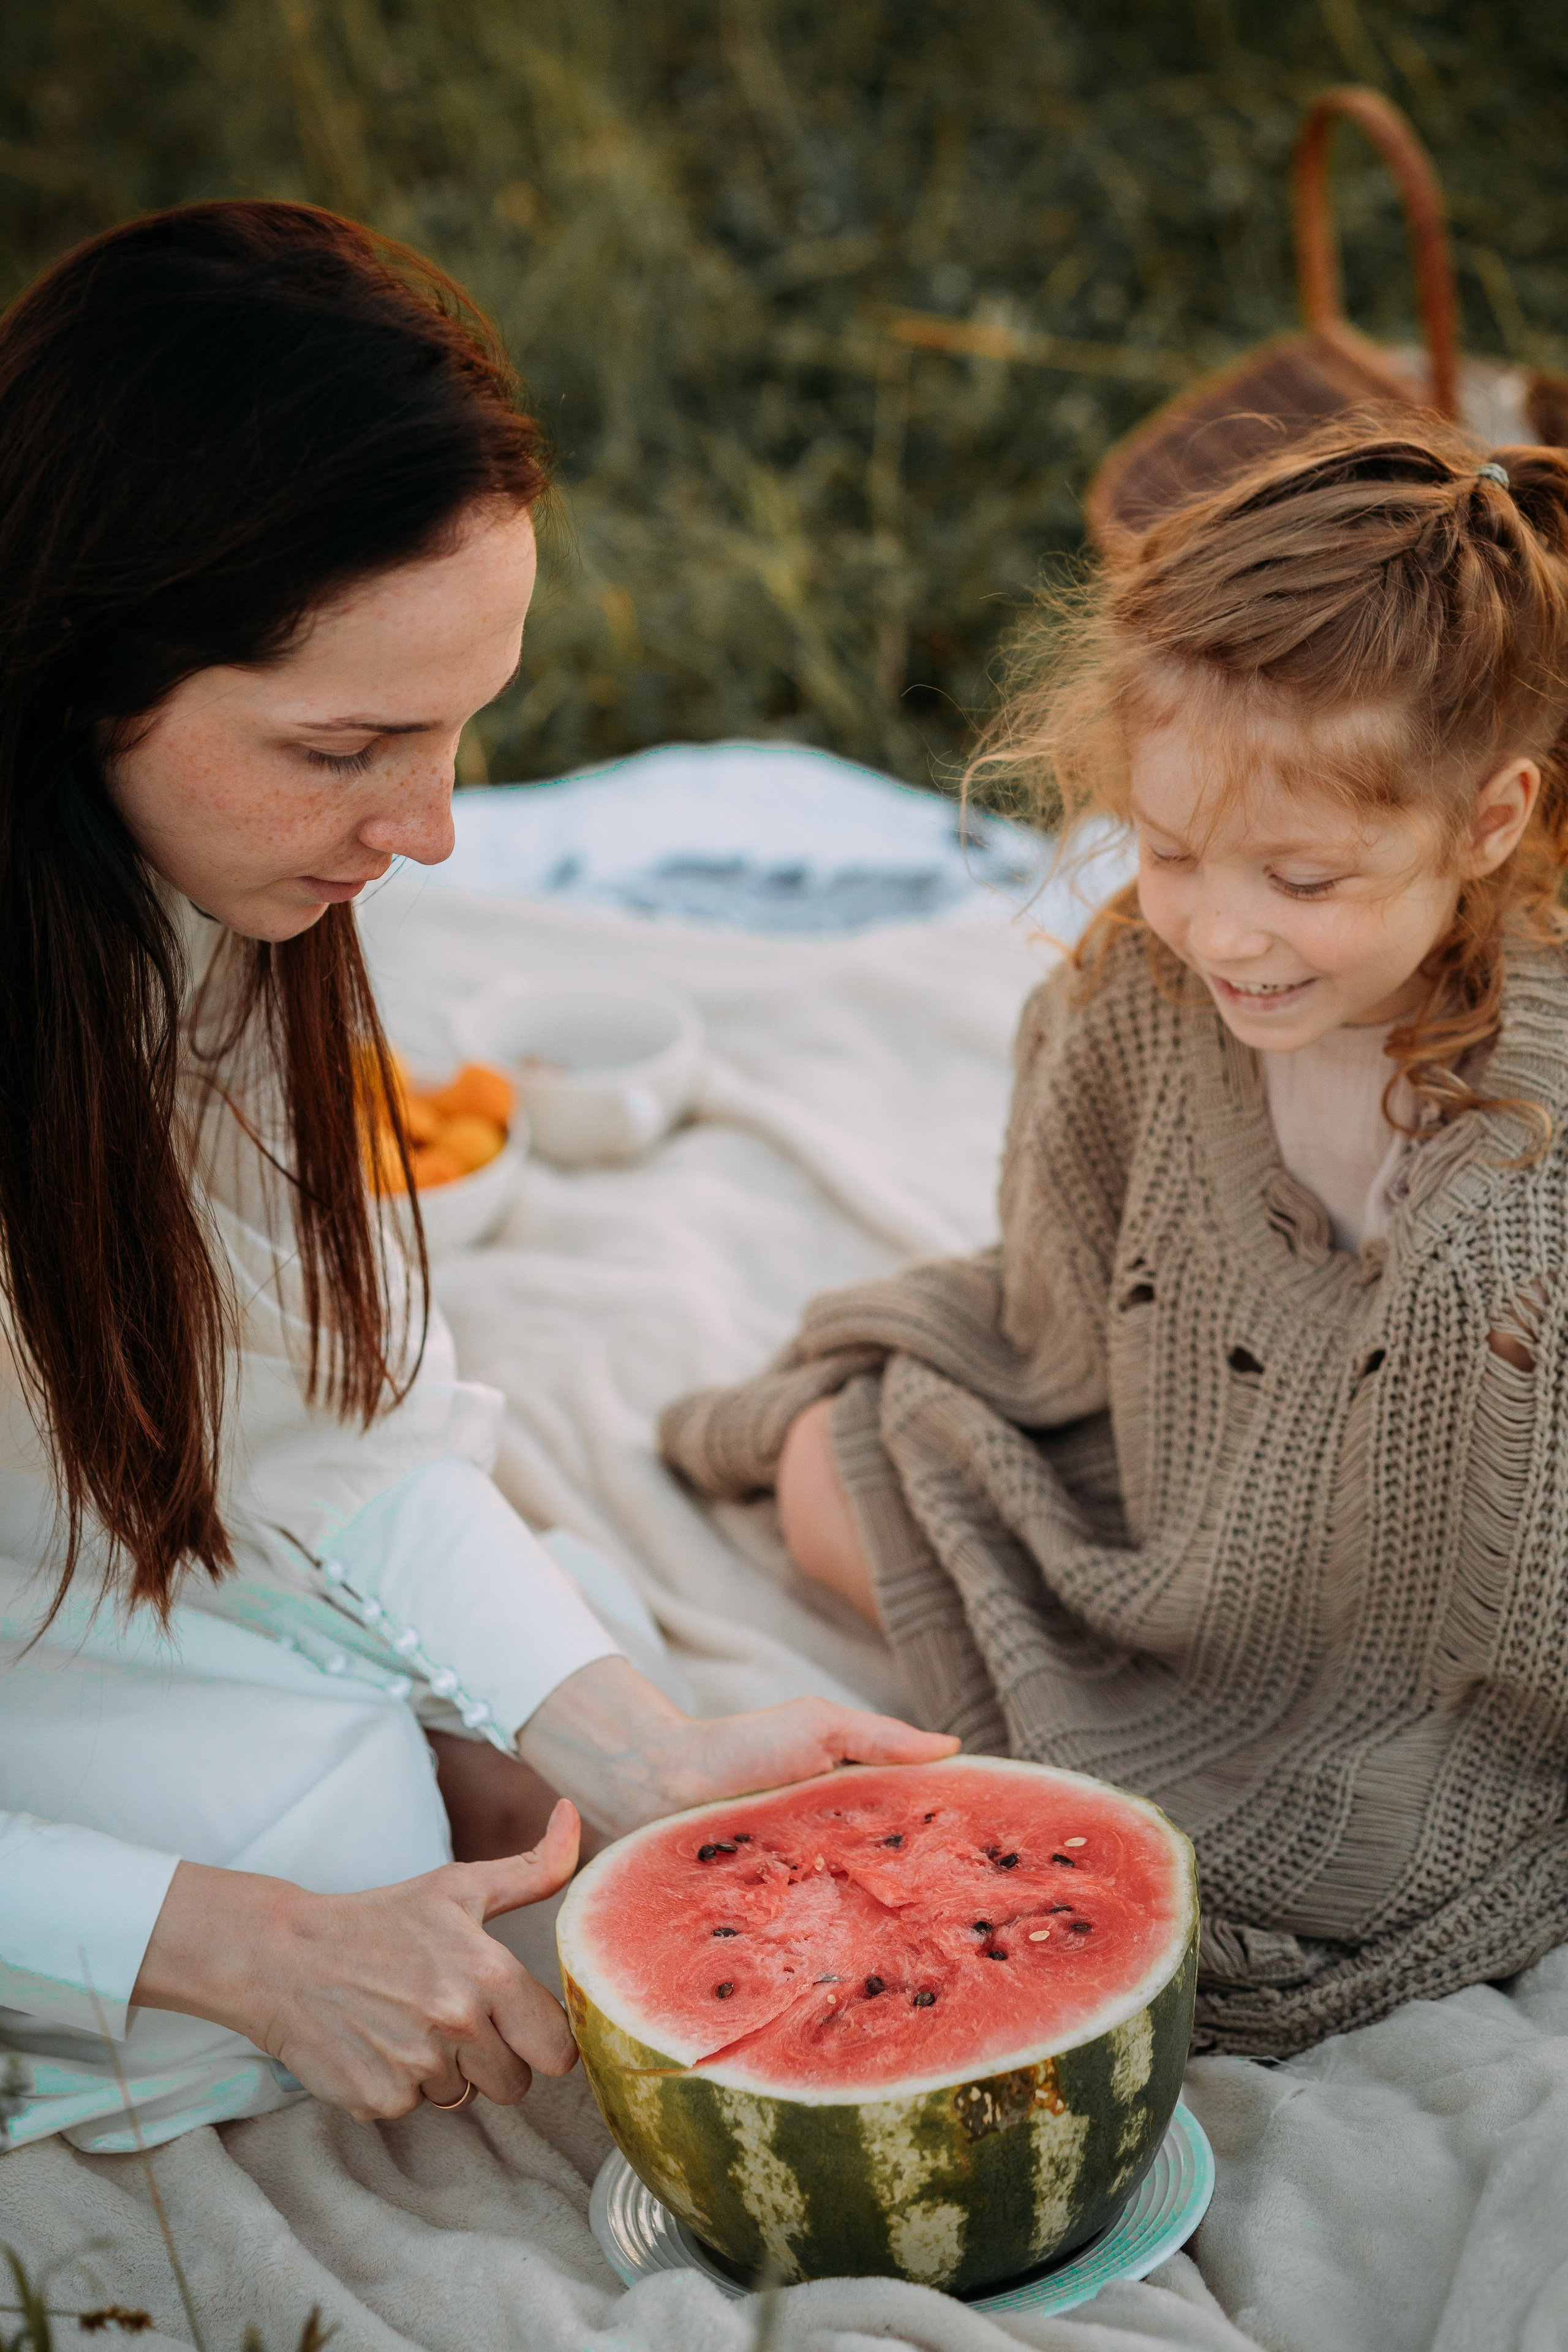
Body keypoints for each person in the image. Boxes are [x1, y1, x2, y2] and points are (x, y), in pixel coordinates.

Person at [0, 200, 956, 2157]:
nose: (434, 835)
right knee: (312, 1861)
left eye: (463, 734)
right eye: (351, 745)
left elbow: (332, 1428)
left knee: (551, 1633)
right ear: (86, 672)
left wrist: (642, 1745)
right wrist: (250, 1947)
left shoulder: (179, 893)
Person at [662, 418, 1568, 2059]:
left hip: (1418, 1662)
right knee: (823, 1469)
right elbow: (1059, 1333)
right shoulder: (1133, 1007)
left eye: (1305, 877)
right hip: (1166, 1510)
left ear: (1492, 822)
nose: (1225, 929)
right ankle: (1121, 1714)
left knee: (1352, 1804)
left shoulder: (1535, 1143)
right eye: (1169, 853)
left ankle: (1159, 1748)